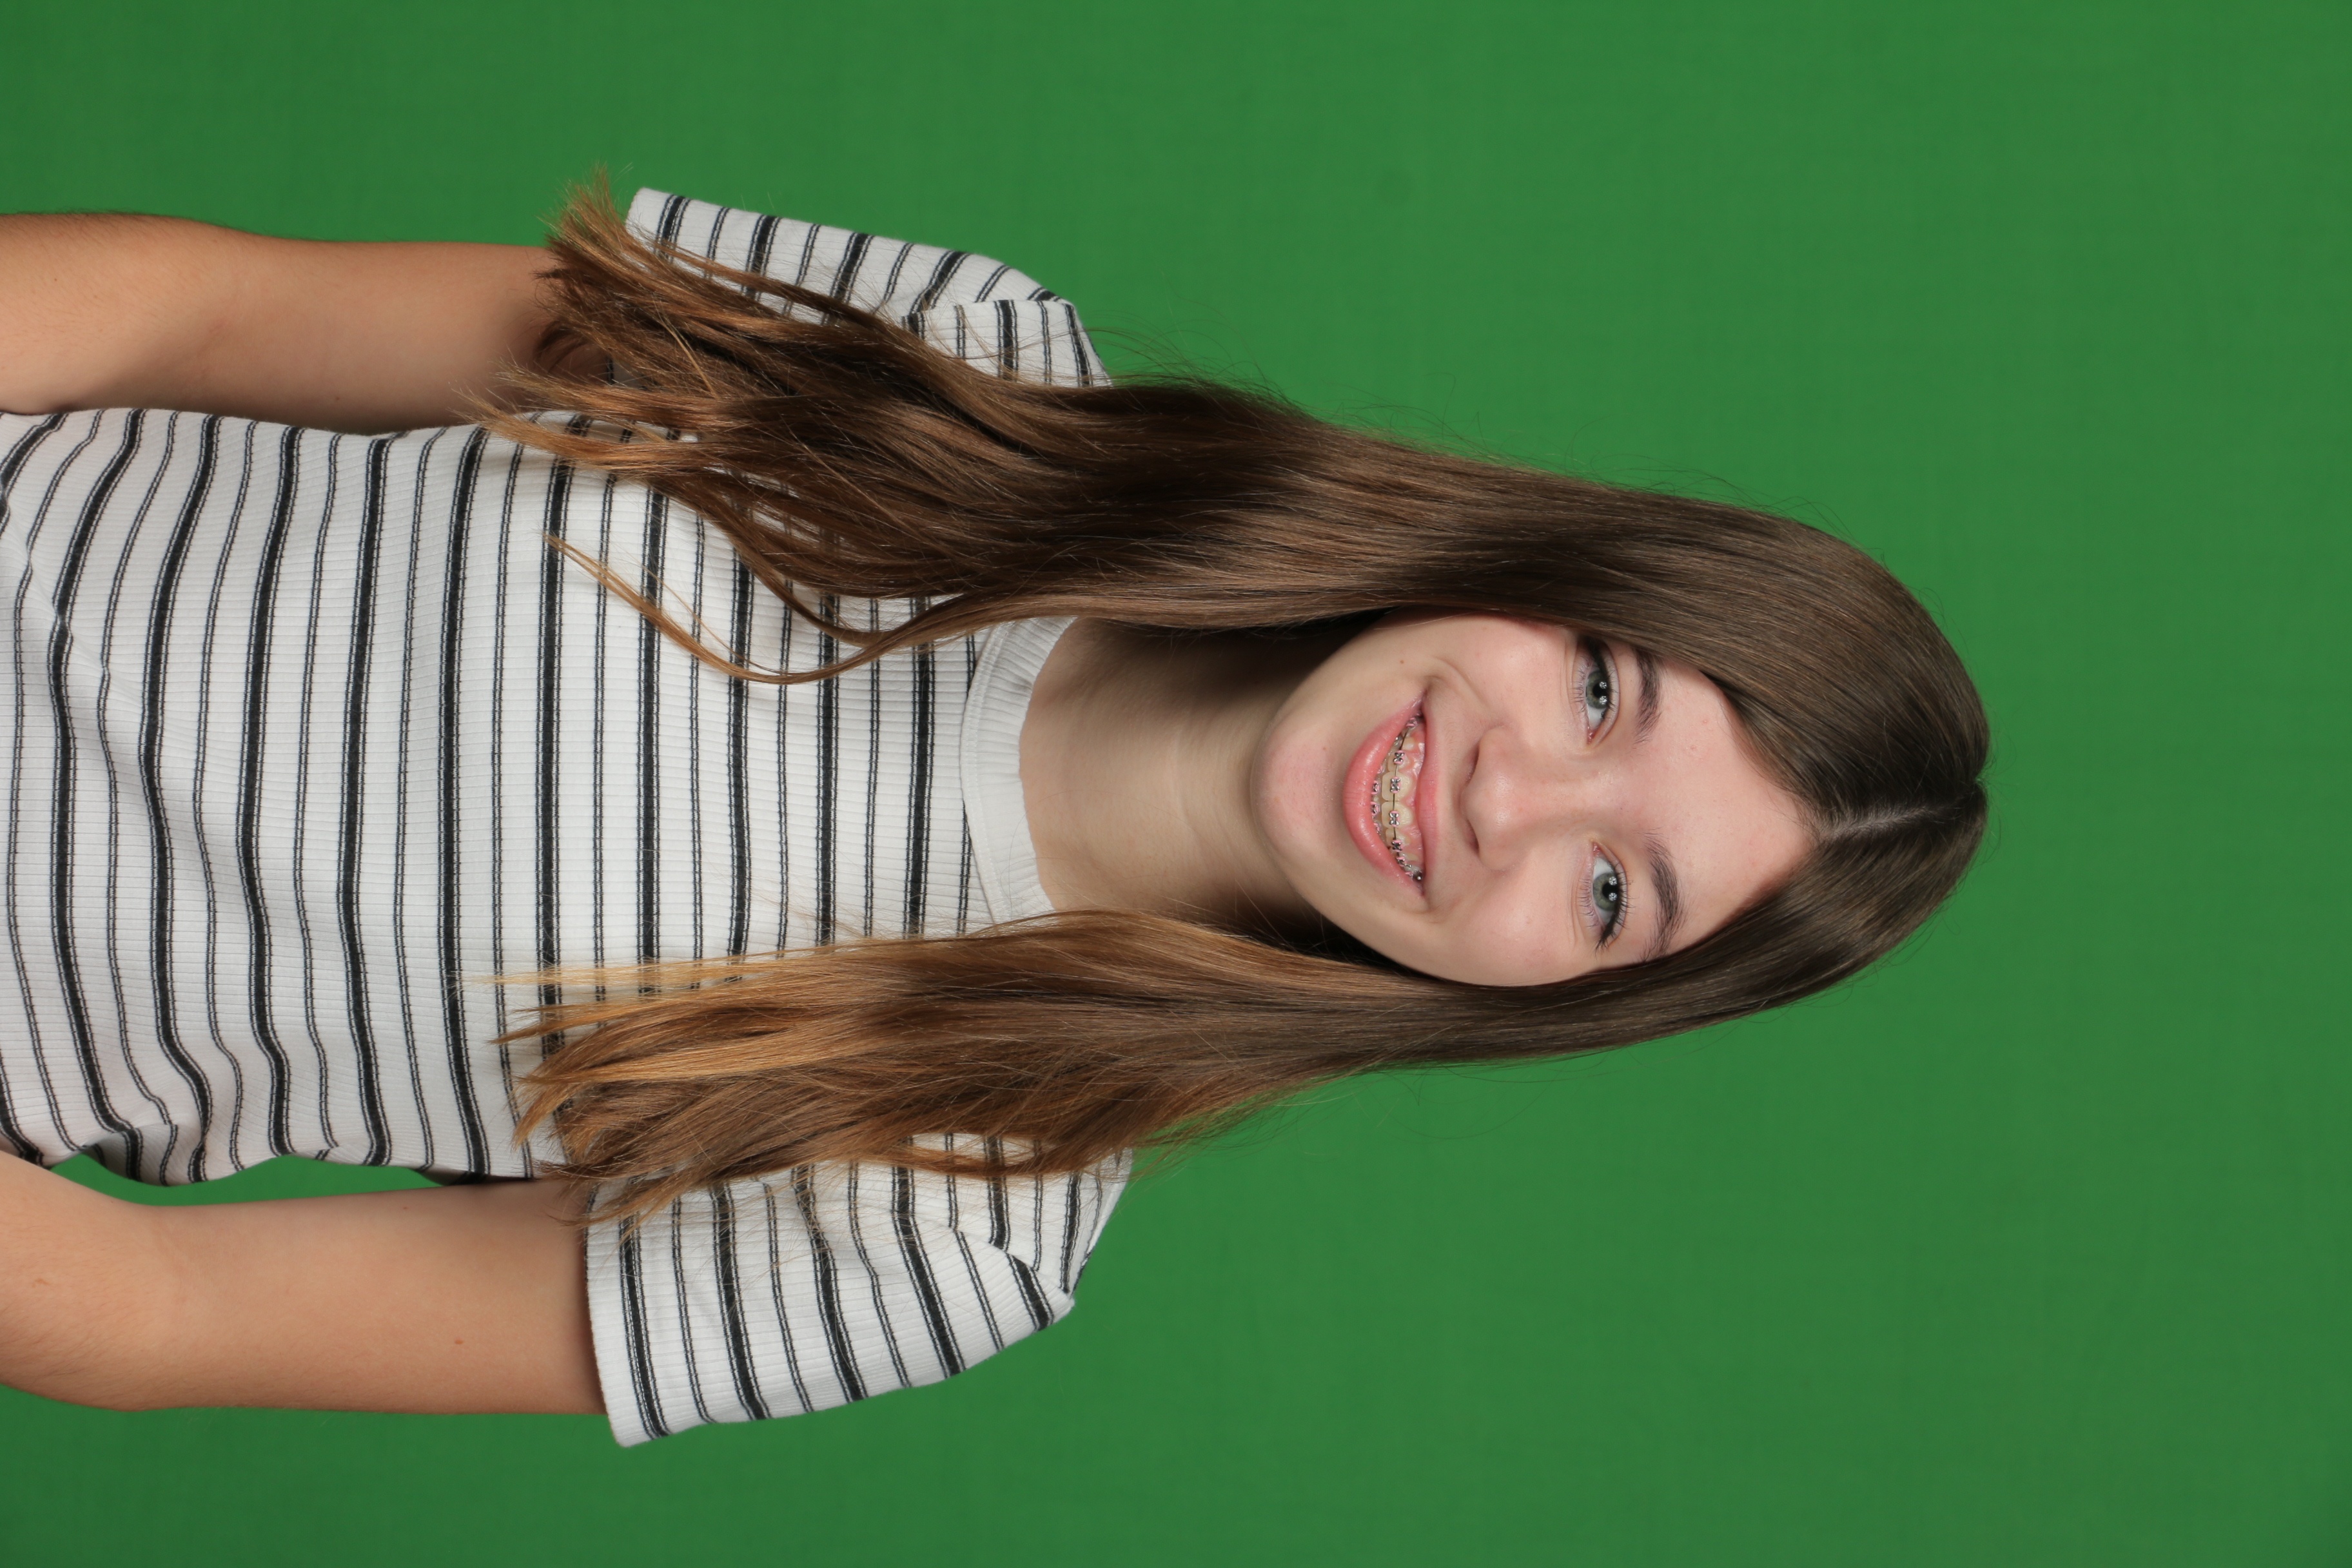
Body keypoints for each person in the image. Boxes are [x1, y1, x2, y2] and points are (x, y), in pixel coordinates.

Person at [0, 188, 1986, 1444]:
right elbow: (216, 311)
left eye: (1615, 890)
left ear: (1566, 999)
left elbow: (158, 1315)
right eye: (1605, 691)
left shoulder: (961, 1228)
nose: (1510, 796)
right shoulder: (969, 360)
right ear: (1547, 569)